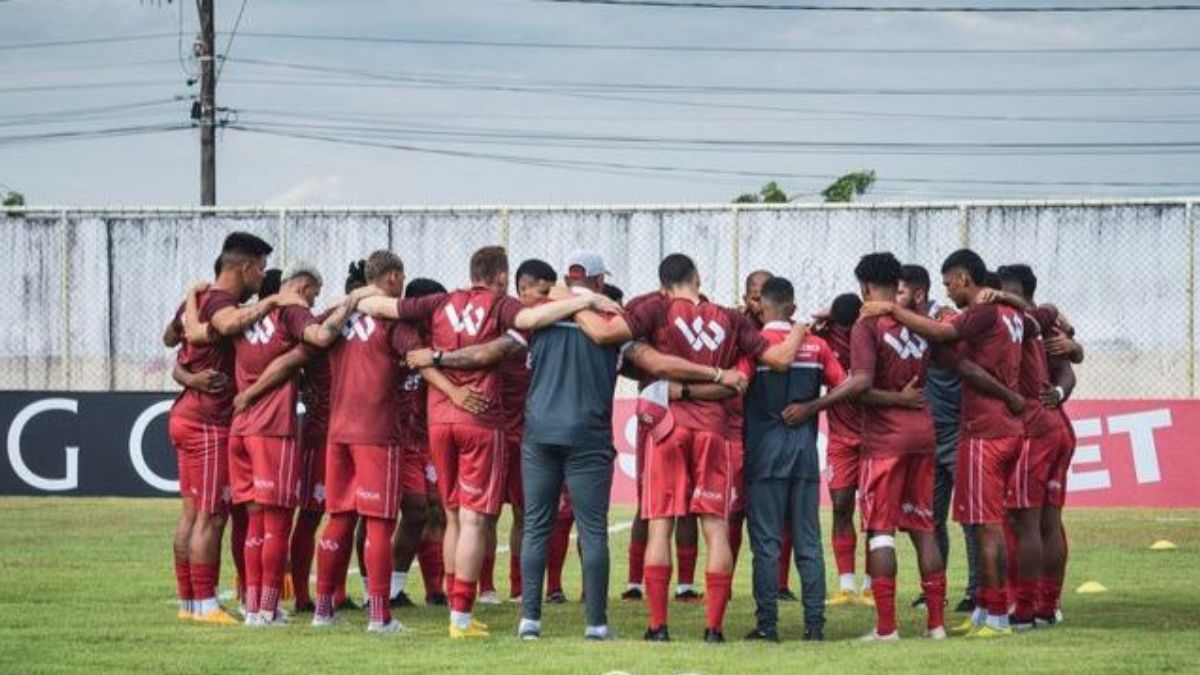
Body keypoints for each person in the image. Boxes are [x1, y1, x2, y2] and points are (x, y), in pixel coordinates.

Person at [357, 245, 622, 638]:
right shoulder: (509, 307)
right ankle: (463, 616)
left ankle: (477, 606)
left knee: (458, 517)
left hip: (443, 419)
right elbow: (523, 327)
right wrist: (587, 301)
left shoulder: (439, 301)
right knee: (487, 518)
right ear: (502, 277)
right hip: (485, 419)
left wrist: (357, 297)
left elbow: (380, 307)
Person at [571, 253, 807, 643]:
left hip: (667, 427)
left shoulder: (654, 307)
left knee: (660, 525)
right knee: (715, 528)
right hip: (715, 430)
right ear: (698, 278)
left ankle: (658, 627)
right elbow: (780, 359)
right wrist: (800, 330)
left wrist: (572, 299)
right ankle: (713, 630)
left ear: (664, 285)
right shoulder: (730, 319)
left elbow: (601, 334)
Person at [862, 248, 1028, 638]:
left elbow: (863, 382)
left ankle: (992, 614)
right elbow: (966, 360)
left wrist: (886, 311)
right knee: (933, 523)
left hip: (966, 431)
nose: (948, 289)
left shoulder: (973, 313)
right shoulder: (1001, 312)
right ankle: (958, 616)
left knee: (890, 528)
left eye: (949, 281)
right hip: (939, 433)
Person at [163, 231, 277, 625]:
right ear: (245, 267)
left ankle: (188, 603)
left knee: (192, 515)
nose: (263, 277)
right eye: (261, 269)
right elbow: (225, 326)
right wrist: (275, 301)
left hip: (184, 415)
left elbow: (169, 338)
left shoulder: (197, 299)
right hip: (209, 422)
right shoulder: (223, 304)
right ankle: (207, 605)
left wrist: (187, 374)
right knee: (211, 517)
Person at [741, 276, 845, 643]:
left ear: (762, 306)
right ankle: (814, 626)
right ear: (793, 307)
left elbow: (735, 386)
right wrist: (813, 406)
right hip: (803, 454)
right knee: (808, 542)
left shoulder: (754, 345)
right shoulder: (817, 346)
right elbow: (844, 383)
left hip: (763, 457)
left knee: (766, 545)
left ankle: (767, 625)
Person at [897, 264, 979, 614]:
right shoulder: (900, 324)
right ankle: (934, 591)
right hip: (927, 436)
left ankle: (977, 590)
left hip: (958, 432)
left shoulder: (943, 316)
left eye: (899, 293)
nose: (892, 299)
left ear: (918, 295)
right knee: (929, 519)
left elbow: (946, 333)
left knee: (972, 519)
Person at [481, 258, 557, 605]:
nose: (546, 299)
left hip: (530, 437)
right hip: (495, 431)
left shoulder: (549, 326)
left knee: (526, 514)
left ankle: (517, 587)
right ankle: (485, 587)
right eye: (541, 291)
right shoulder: (503, 324)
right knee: (487, 512)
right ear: (522, 289)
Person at [813, 292, 871, 606]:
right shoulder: (824, 334)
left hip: (875, 435)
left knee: (874, 513)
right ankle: (846, 585)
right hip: (840, 438)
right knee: (840, 506)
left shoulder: (873, 331)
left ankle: (871, 586)